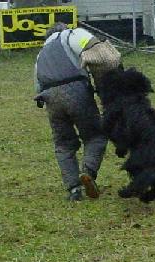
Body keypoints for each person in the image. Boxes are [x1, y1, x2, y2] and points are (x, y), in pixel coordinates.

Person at [34, 23, 121, 201]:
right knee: (95, 136)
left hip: (50, 97)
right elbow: (100, 53)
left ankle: (74, 189)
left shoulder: (41, 53)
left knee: (63, 144)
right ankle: (88, 172)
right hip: (76, 91)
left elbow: (37, 85)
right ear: (63, 28)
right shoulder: (71, 34)